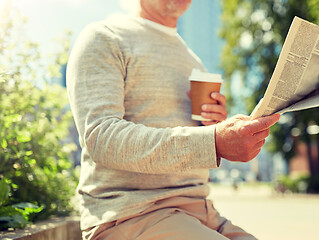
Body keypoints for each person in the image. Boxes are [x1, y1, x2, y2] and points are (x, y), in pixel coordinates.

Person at [66, 0, 280, 239]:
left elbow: (195, 142)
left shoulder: (193, 60)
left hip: (204, 212)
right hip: (131, 215)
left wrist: (214, 127)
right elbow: (101, 138)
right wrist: (212, 141)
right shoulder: (104, 37)